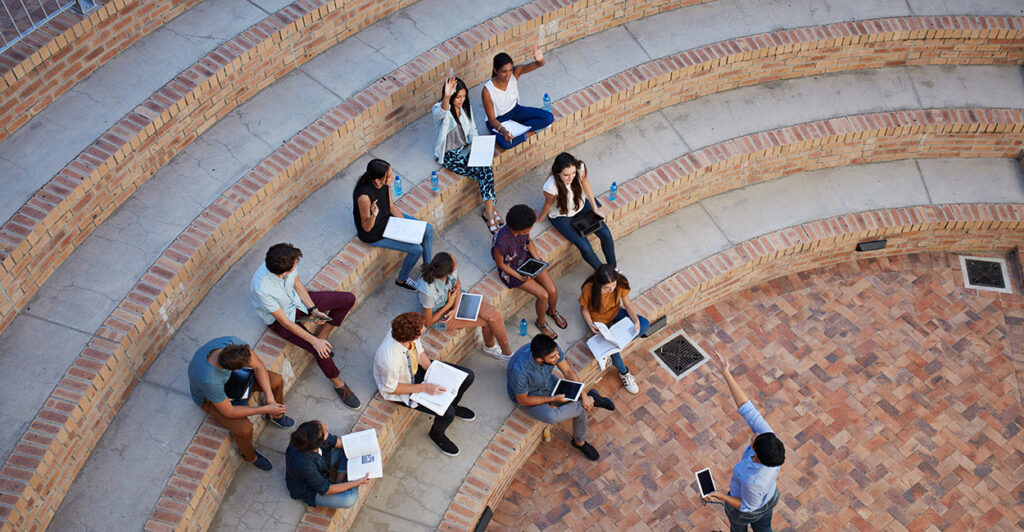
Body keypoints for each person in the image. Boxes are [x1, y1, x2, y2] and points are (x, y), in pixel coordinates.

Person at [250, 243, 361, 409]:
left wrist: (313, 310)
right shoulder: (262, 288)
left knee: (347, 299)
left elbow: (296, 283)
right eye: (295, 265)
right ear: (284, 272)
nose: (297, 265)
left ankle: (322, 335)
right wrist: (314, 342)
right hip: (281, 319)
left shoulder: (284, 263)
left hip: (298, 303)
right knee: (319, 349)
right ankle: (338, 384)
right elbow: (285, 322)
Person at [372, 312, 476, 456]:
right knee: (447, 413)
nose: (425, 329)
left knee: (467, 376)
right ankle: (436, 435)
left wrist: (433, 374)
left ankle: (453, 403)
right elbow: (390, 388)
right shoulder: (389, 359)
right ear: (410, 336)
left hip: (415, 370)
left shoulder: (404, 335)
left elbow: (419, 353)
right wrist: (425, 387)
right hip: (404, 386)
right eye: (421, 329)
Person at [703, 351, 785, 532]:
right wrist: (726, 373)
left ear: (756, 454)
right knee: (764, 529)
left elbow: (746, 506)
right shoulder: (770, 441)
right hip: (769, 497)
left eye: (756, 439)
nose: (756, 433)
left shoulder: (753, 480)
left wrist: (720, 496)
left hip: (748, 510)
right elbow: (748, 410)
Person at [187, 337, 293, 471]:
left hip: (231, 381)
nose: (250, 365)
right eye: (246, 366)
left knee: (276, 381)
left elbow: (258, 366)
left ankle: (275, 415)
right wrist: (263, 408)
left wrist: (270, 400)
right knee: (244, 428)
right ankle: (250, 457)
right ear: (236, 369)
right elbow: (229, 412)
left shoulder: (232, 343)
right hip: (210, 399)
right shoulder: (209, 380)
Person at [505, 334, 616, 461]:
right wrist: (553, 399)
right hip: (530, 395)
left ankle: (579, 442)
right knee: (552, 416)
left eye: (557, 353)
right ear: (540, 359)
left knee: (581, 402)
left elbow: (568, 372)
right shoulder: (519, 371)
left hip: (549, 383)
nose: (558, 357)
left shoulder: (552, 349)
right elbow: (523, 400)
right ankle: (592, 399)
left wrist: (584, 395)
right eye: (553, 357)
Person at [432, 76, 502, 233]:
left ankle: (489, 211)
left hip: (465, 147)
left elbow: (472, 130)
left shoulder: (465, 107)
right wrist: (447, 97)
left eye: (464, 96)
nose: (461, 100)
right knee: (484, 171)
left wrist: (480, 147)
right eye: (458, 97)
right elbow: (440, 113)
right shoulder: (440, 109)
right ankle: (490, 212)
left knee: (485, 168)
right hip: (450, 155)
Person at [353, 158, 435, 290]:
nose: (392, 177)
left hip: (388, 219)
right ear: (377, 180)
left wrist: (406, 227)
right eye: (389, 176)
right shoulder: (364, 197)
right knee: (416, 250)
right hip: (375, 232)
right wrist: (373, 215)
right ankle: (402, 279)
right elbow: (366, 228)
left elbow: (391, 206)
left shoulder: (384, 184)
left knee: (428, 229)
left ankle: (429, 270)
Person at [416, 252, 513, 362]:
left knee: (494, 313)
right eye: (456, 263)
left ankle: (505, 352)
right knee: (489, 320)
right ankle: (497, 350)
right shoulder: (427, 292)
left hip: (457, 301)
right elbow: (428, 322)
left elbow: (458, 286)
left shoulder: (447, 269)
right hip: (442, 316)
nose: (457, 262)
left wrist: (455, 306)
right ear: (449, 271)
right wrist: (449, 305)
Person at [491, 204, 566, 339]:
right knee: (543, 295)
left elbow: (528, 241)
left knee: (552, 291)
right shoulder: (500, 242)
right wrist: (520, 277)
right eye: (526, 231)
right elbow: (501, 264)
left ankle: (552, 312)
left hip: (526, 260)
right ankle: (541, 323)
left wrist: (538, 259)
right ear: (518, 229)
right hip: (512, 271)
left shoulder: (523, 230)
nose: (528, 233)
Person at [537, 152, 617, 270]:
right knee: (584, 246)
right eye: (566, 175)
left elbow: (586, 184)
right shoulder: (550, 186)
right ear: (557, 173)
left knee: (606, 234)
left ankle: (614, 268)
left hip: (581, 205)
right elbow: (548, 203)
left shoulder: (580, 168)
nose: (571, 177)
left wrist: (595, 208)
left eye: (573, 173)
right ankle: (604, 274)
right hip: (562, 215)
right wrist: (539, 218)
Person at [579, 265, 649, 394]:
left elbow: (627, 304)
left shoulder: (621, 283)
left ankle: (610, 348)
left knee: (644, 324)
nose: (611, 290)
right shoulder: (588, 288)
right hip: (598, 319)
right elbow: (583, 309)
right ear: (597, 284)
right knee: (614, 350)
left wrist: (636, 320)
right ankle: (624, 372)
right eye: (606, 288)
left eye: (613, 286)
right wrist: (590, 324)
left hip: (616, 313)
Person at [285, 420, 371, 509]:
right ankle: (352, 479)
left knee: (347, 448)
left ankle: (339, 481)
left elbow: (342, 444)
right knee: (349, 499)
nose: (327, 427)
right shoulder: (306, 465)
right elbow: (326, 489)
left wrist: (361, 448)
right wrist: (357, 482)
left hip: (321, 463)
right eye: (325, 431)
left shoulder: (307, 436)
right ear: (319, 442)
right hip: (309, 490)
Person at [481, 47, 554, 150]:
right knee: (505, 144)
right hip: (498, 121)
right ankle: (527, 133)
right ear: (495, 70)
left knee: (548, 118)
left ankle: (519, 132)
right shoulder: (487, 91)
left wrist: (540, 59)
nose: (508, 75)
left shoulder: (515, 73)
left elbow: (539, 64)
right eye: (504, 71)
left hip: (515, 111)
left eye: (510, 70)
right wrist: (503, 131)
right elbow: (492, 119)